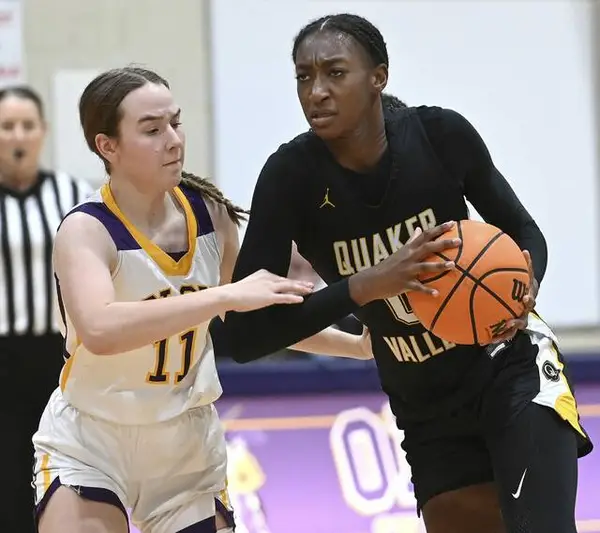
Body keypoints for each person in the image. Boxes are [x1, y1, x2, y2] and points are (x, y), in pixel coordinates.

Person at [222, 13, 593, 533]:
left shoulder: (440, 135)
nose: (316, 91)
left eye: (334, 73)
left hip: (509, 364)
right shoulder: (289, 178)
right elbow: (243, 336)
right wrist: (364, 286)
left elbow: (524, 232)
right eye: (304, 77)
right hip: (424, 403)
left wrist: (526, 283)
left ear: (379, 77)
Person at [31, 66, 373, 533]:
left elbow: (260, 320)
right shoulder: (86, 229)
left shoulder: (210, 214)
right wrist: (222, 296)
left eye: (175, 122)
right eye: (152, 130)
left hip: (185, 447)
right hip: (93, 439)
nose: (174, 140)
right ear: (107, 146)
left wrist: (356, 347)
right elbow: (101, 330)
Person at [0, 85, 92, 533]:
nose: (18, 135)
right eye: (7, 126)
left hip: (55, 353)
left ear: (43, 131)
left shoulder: (71, 193)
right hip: (1, 353)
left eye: (27, 125)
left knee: (57, 464)